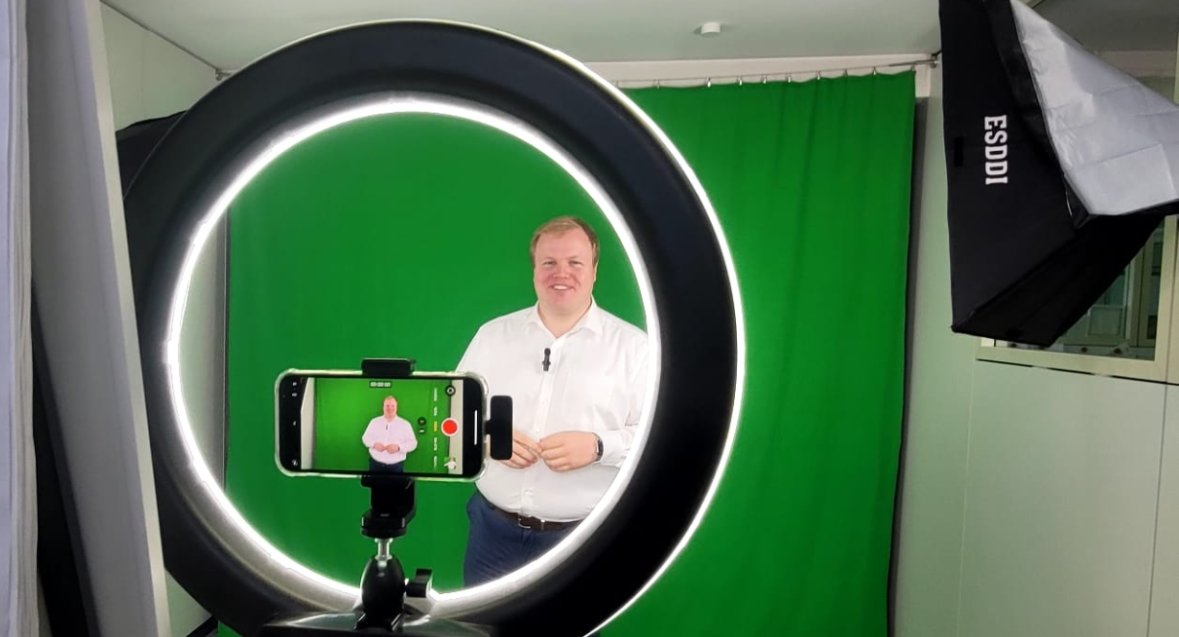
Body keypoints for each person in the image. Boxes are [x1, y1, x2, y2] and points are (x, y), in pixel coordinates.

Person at [457, 216, 649, 586]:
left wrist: (597, 446)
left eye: (575, 262)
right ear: (534, 270)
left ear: (594, 270)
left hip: (585, 538)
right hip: (491, 533)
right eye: (549, 263)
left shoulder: (634, 348)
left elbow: (654, 439)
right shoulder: (492, 336)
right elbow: (452, 417)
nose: (562, 273)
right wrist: (485, 438)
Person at [361, 395, 418, 473]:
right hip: (375, 465)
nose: (390, 408)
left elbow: (413, 443)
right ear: (383, 407)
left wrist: (399, 447)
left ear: (396, 407)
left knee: (396, 485)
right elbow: (365, 438)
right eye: (387, 405)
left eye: (392, 406)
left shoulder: (405, 424)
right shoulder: (374, 422)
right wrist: (374, 444)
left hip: (396, 467)